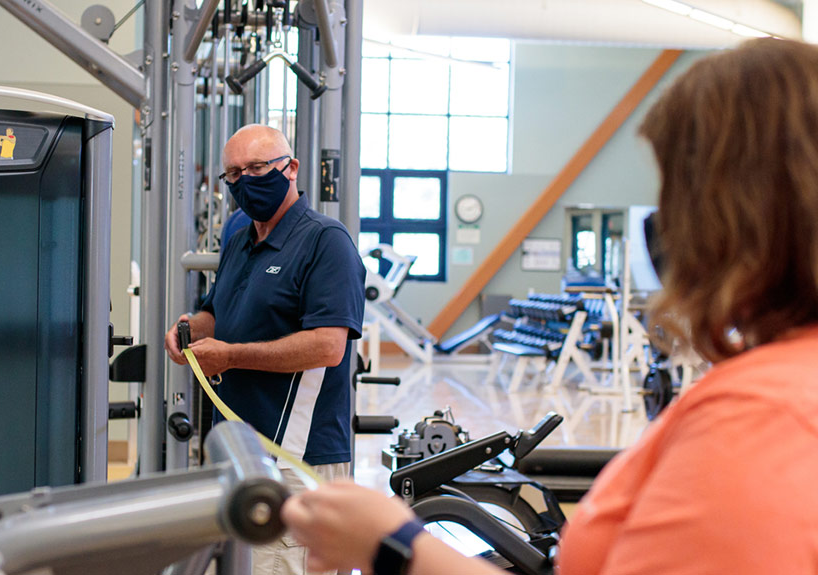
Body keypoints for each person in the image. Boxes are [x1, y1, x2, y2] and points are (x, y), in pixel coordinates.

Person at [281, 37, 818, 575]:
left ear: (732, 214)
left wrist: (392, 546)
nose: (663, 224)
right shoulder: (779, 384)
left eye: (676, 192)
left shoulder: (762, 418)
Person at [164, 124, 366, 575]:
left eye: (256, 168)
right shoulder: (240, 242)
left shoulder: (325, 242)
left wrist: (232, 355)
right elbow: (214, 312)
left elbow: (328, 346)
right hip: (242, 452)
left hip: (295, 458)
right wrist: (188, 329)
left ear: (291, 169)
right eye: (233, 174)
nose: (244, 181)